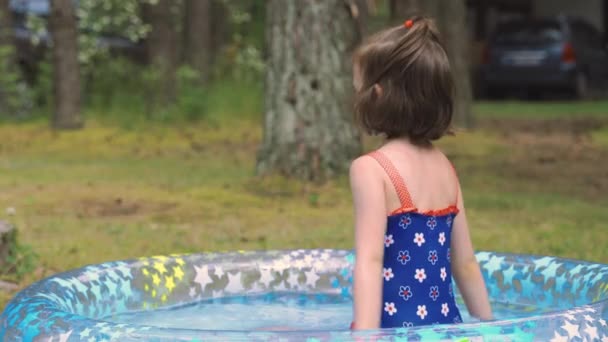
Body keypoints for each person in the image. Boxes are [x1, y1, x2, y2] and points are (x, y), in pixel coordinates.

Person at [349, 16, 493, 330]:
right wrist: (492, 329)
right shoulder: (446, 168)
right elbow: (465, 264)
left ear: (377, 94)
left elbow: (370, 263)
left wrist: (365, 337)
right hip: (445, 329)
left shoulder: (371, 169)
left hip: (394, 329)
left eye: (357, 89)